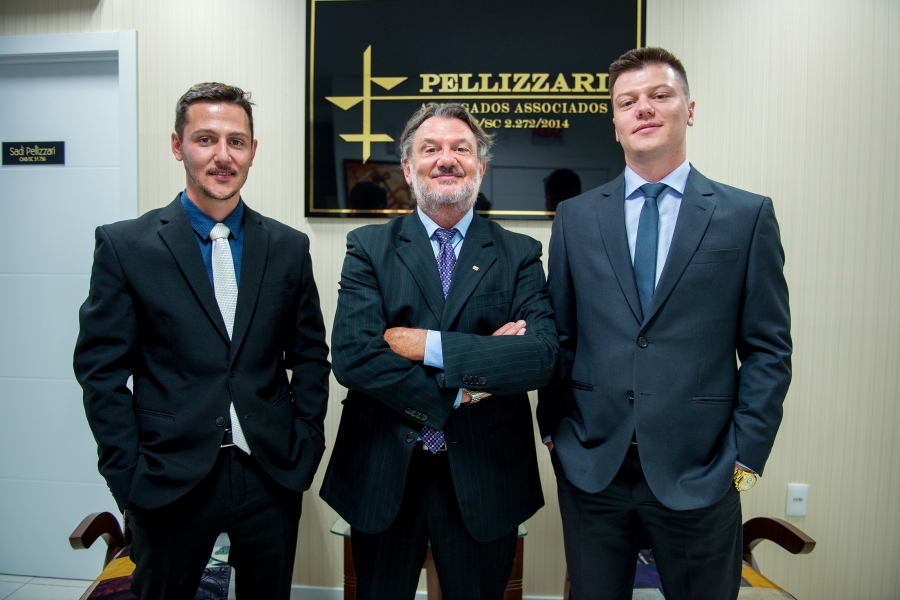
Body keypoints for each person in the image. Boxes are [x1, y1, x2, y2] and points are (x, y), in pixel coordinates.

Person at [537, 47, 791, 600]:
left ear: (689, 110)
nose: (644, 109)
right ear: (615, 123)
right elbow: (561, 334)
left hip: (701, 468)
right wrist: (554, 431)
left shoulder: (745, 216)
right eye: (627, 102)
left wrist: (744, 454)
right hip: (593, 465)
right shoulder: (576, 217)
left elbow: (768, 348)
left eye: (659, 95)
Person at [73, 82, 330, 600]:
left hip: (270, 473)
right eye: (205, 139)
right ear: (178, 145)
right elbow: (101, 372)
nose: (222, 156)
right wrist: (127, 476)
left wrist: (305, 445)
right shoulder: (126, 245)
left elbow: (309, 357)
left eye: (236, 141)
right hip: (168, 477)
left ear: (253, 151)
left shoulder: (286, 246)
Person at [320, 102, 557, 600]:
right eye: (430, 149)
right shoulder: (369, 247)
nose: (446, 159)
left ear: (480, 167)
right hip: (383, 473)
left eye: (461, 149)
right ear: (408, 169)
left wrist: (424, 344)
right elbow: (354, 357)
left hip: (486, 477)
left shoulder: (519, 253)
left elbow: (539, 357)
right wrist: (464, 389)